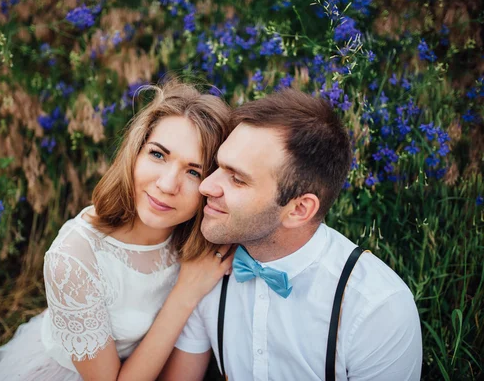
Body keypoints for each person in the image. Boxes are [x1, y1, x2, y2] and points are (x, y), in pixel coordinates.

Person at [160, 89, 422, 381]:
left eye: (237, 179)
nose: (206, 186)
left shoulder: (377, 309)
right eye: (218, 167)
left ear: (299, 209)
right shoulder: (207, 272)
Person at [0, 79, 235, 381]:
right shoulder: (73, 258)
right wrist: (185, 293)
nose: (167, 185)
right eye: (158, 154)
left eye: (194, 171)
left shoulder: (199, 239)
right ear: (135, 153)